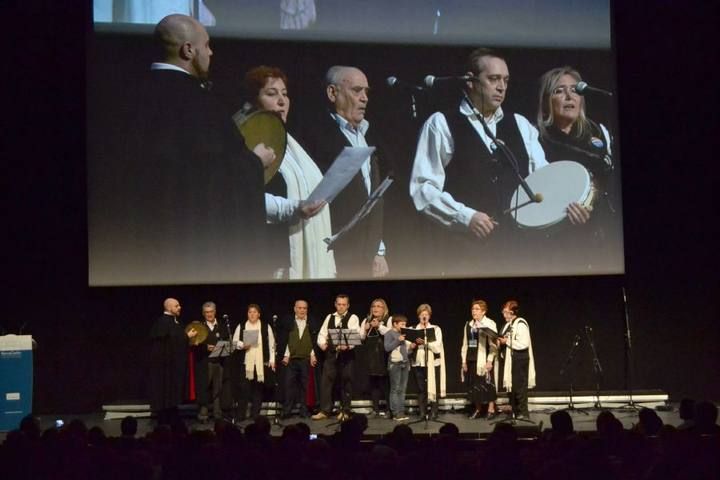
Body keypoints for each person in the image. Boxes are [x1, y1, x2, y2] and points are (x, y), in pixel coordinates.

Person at [95, 14, 275, 285]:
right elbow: (210, 178)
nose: (211, 52)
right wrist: (254, 162)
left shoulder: (121, 97)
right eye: (207, 45)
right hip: (189, 252)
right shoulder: (201, 105)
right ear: (188, 50)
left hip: (130, 250)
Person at [409, 48, 588, 276]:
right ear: (470, 81)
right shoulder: (442, 123)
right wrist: (465, 216)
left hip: (521, 252)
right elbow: (423, 188)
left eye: (505, 80)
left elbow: (543, 180)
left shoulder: (521, 125)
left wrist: (568, 207)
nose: (501, 87)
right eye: (493, 79)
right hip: (466, 254)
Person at [240, 66, 336, 279]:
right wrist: (293, 208)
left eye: (285, 94)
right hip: (275, 260)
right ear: (252, 102)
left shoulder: (292, 144)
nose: (282, 101)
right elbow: (244, 198)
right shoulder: (245, 145)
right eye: (271, 94)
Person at [301, 66, 391, 279]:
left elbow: (374, 197)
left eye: (367, 92)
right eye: (357, 90)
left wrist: (379, 250)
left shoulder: (369, 133)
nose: (364, 98)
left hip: (367, 254)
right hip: (333, 254)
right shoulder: (314, 137)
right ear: (333, 93)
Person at [536, 66, 621, 268]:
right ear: (546, 101)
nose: (569, 96)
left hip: (607, 230)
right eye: (559, 91)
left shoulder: (598, 131)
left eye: (575, 90)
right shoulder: (536, 139)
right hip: (563, 241)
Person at [148, 298, 197, 424]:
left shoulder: (172, 322)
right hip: (164, 367)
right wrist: (187, 336)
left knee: (170, 391)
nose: (179, 307)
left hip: (170, 366)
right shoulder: (164, 322)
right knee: (166, 389)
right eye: (176, 306)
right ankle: (166, 415)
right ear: (169, 308)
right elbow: (172, 341)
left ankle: (171, 411)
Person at [312, 294, 360, 420]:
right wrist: (322, 344)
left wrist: (347, 345)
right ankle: (325, 410)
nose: (341, 307)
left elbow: (355, 335)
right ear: (335, 304)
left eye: (344, 304)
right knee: (326, 382)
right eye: (339, 304)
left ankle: (345, 410)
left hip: (346, 355)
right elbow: (322, 334)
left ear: (348, 305)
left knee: (346, 382)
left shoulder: (353, 317)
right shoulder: (330, 317)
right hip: (331, 355)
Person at [231, 304, 276, 421]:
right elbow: (234, 342)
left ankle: (255, 414)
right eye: (250, 312)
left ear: (259, 314)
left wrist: (272, 360)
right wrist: (242, 345)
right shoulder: (241, 326)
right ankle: (241, 415)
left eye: (254, 312)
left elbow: (272, 344)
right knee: (243, 390)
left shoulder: (266, 326)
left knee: (258, 390)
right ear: (247, 314)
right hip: (246, 364)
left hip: (260, 363)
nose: (252, 314)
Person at [277, 299, 320, 418]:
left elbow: (313, 341)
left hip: (306, 359)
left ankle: (304, 410)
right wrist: (286, 355)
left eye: (304, 308)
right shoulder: (288, 321)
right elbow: (285, 340)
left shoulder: (312, 322)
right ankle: (287, 410)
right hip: (291, 359)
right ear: (295, 309)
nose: (302, 310)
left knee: (305, 386)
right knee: (288, 385)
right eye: (299, 308)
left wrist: (313, 355)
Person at [192, 301, 232, 422]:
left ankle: (217, 413)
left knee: (218, 388)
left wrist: (223, 347)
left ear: (215, 312)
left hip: (219, 362)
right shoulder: (199, 327)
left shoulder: (222, 326)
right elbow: (193, 344)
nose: (209, 314)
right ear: (203, 314)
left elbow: (228, 343)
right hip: (204, 362)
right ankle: (203, 414)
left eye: (211, 312)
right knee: (204, 388)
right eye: (206, 312)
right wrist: (205, 347)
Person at [497, 300, 536, 419]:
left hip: (520, 358)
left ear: (512, 312)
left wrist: (506, 341)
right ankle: (515, 411)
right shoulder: (509, 325)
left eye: (505, 312)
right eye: (503, 312)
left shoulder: (520, 323)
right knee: (513, 387)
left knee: (520, 387)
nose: (503, 314)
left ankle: (523, 413)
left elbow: (523, 344)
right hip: (511, 359)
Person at [461, 299, 499, 418]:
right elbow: (465, 344)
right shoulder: (469, 324)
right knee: (474, 385)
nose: (474, 311)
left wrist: (490, 360)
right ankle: (478, 409)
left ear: (483, 311)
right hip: (472, 358)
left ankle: (491, 409)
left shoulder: (489, 323)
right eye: (473, 309)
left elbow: (494, 344)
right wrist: (463, 361)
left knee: (488, 384)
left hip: (485, 359)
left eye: (477, 309)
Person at [411, 304, 446, 419]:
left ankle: (434, 411)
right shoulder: (414, 329)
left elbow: (437, 347)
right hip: (418, 362)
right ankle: (422, 412)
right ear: (418, 316)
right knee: (421, 388)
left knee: (433, 387)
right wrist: (412, 345)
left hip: (432, 362)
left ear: (429, 316)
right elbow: (407, 348)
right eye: (422, 314)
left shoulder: (436, 329)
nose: (424, 316)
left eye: (426, 314)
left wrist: (426, 343)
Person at [359, 298, 391, 416]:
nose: (376, 309)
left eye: (379, 306)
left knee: (386, 383)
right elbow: (361, 337)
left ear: (384, 309)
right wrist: (365, 329)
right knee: (373, 383)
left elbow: (391, 334)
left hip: (384, 355)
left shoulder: (389, 320)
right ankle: (375, 409)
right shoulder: (366, 320)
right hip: (371, 355)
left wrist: (379, 326)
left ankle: (389, 409)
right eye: (374, 306)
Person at [384, 314, 417, 421]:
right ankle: (395, 412)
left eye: (405, 324)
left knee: (402, 389)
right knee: (395, 389)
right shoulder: (389, 333)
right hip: (395, 364)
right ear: (395, 324)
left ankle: (401, 411)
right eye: (402, 324)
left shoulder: (403, 334)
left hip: (405, 363)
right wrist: (398, 340)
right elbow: (387, 348)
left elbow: (405, 351)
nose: (404, 326)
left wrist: (411, 348)